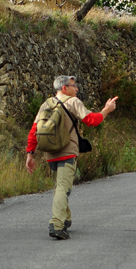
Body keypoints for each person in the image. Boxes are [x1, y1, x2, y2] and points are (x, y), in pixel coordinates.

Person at [26, 75, 118, 240]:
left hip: (50, 154)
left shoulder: (45, 105)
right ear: (64, 88)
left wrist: (30, 154)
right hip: (67, 153)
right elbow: (92, 120)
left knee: (59, 187)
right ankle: (57, 224)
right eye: (74, 86)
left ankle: (65, 218)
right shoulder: (73, 102)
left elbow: (34, 130)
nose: (76, 89)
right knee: (63, 189)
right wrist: (107, 110)